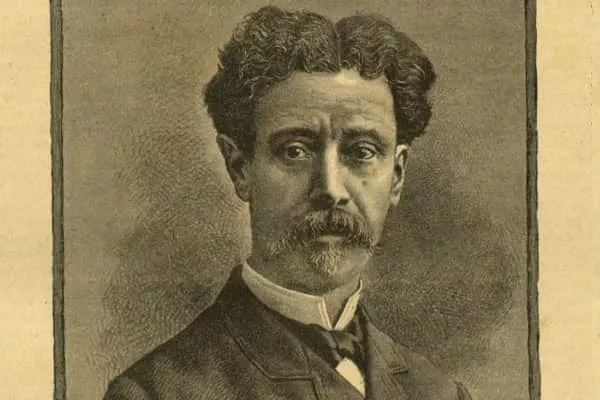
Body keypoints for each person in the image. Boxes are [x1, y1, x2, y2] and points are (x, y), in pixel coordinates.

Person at [105, 6, 472, 400]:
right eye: (295, 150)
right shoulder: (156, 392)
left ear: (396, 175)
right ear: (240, 168)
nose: (331, 188)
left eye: (361, 152)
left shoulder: (440, 392)